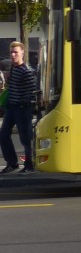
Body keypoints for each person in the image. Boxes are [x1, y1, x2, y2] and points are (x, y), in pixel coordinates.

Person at [1, 41, 39, 174]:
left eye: (15, 52)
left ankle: (29, 165)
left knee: (25, 138)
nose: (13, 55)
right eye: (11, 52)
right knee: (3, 134)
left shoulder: (26, 71)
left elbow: (32, 91)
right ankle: (12, 163)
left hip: (22, 108)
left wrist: (24, 103)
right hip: (11, 107)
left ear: (22, 53)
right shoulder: (13, 68)